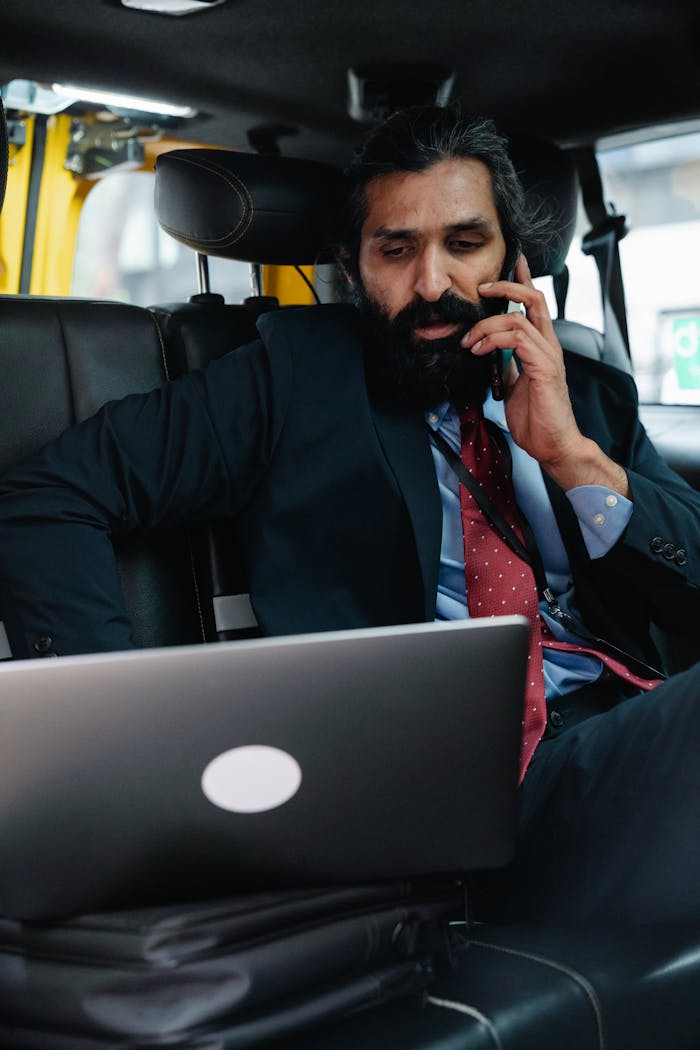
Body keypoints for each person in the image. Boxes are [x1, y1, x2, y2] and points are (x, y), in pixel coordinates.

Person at [0, 106, 699, 926]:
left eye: (465, 244)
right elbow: (46, 496)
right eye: (396, 250)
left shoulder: (585, 392)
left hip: (613, 739)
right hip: (430, 783)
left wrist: (575, 459)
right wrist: (116, 733)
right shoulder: (295, 374)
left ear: (517, 258)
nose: (432, 283)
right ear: (351, 266)